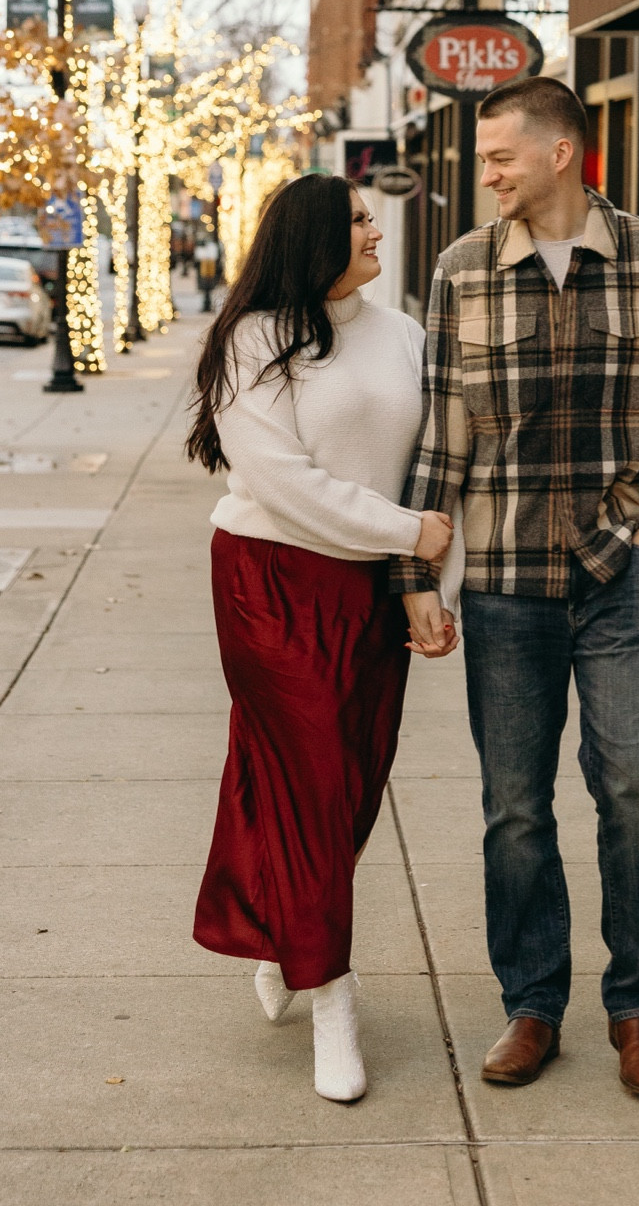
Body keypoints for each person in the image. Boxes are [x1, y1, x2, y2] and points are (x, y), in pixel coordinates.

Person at [393, 76, 639, 1098]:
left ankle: (635, 1008)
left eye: (500, 157)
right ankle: (531, 1005)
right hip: (504, 577)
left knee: (632, 789)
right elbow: (441, 428)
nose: (486, 175)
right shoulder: (462, 270)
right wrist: (417, 574)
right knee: (514, 807)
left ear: (560, 152)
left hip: (622, 576)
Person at [185, 173, 453, 1103]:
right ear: (311, 238)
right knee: (311, 777)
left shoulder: (404, 334)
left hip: (369, 590)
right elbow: (282, 480)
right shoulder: (254, 339)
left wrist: (424, 583)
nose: (376, 231)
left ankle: (285, 930)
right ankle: (331, 995)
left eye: (372, 217)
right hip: (270, 579)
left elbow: (434, 469)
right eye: (357, 221)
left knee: (352, 784)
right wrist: (407, 534)